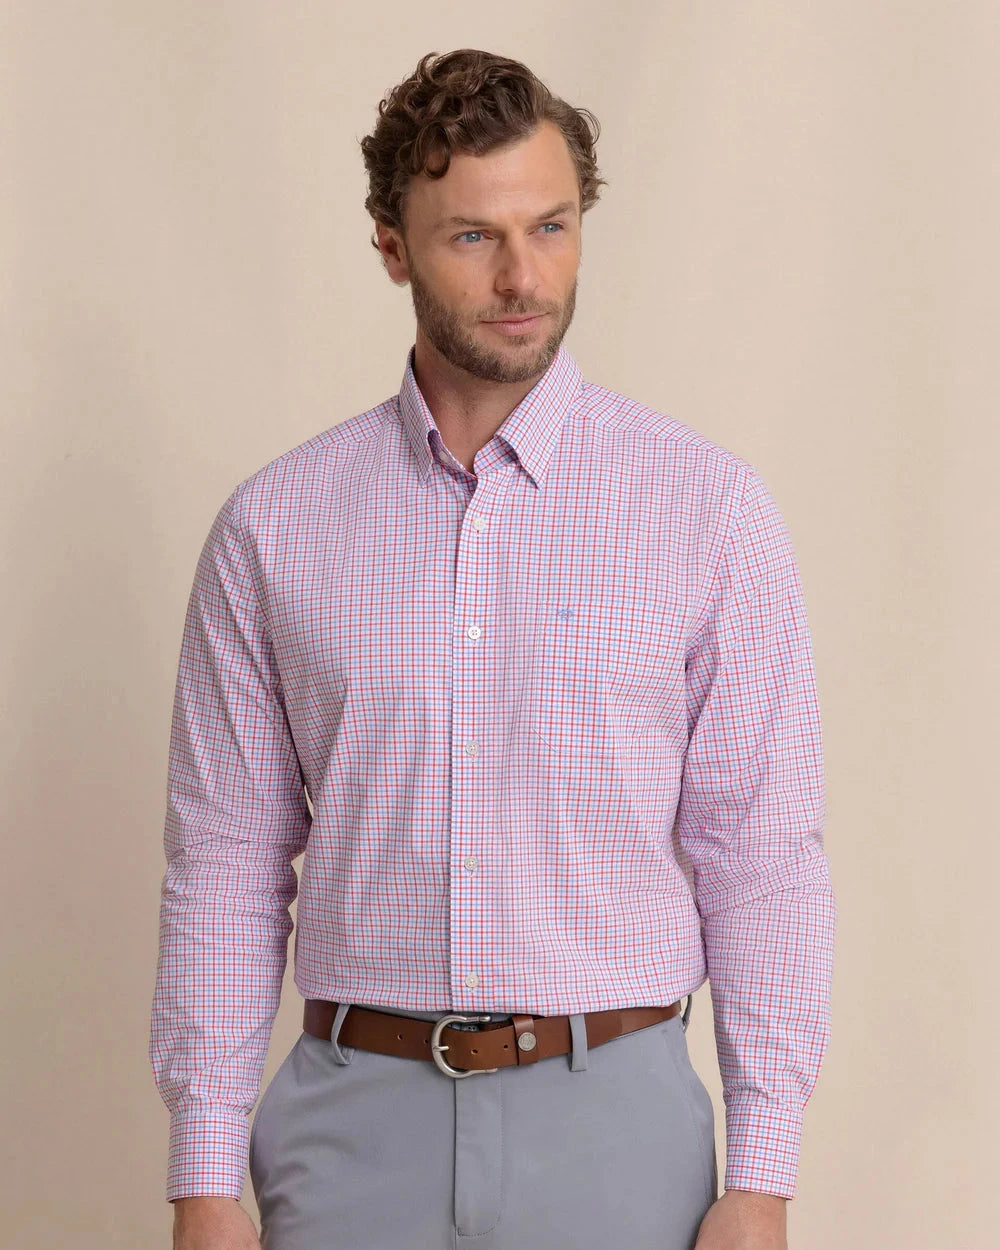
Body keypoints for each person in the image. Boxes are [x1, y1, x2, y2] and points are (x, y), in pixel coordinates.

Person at [150, 48, 836, 1250]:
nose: (523, 277)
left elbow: (760, 850)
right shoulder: (276, 527)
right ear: (391, 245)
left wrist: (764, 1169)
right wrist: (204, 1175)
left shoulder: (707, 513)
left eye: (551, 226)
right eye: (473, 236)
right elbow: (224, 857)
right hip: (350, 1131)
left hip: (619, 1127)